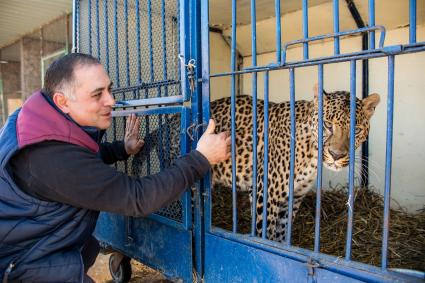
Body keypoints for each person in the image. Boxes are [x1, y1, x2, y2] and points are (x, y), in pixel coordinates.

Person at [0, 53, 231, 282]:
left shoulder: (34, 121)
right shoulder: (50, 159)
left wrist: (121, 149)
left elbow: (77, 162)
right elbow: (138, 198)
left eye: (109, 89)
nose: (110, 101)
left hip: (33, 253)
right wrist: (201, 158)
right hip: (25, 267)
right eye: (97, 94)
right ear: (63, 101)